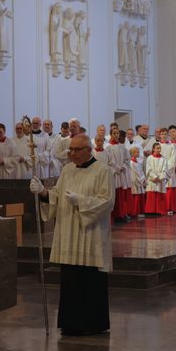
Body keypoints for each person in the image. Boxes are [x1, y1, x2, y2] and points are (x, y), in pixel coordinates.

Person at [30, 134, 113, 336]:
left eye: (76, 150)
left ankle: (93, 323)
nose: (72, 154)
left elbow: (107, 201)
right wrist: (42, 192)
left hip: (90, 234)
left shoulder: (103, 170)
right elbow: (57, 196)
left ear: (88, 150)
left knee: (89, 280)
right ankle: (70, 322)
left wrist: (82, 201)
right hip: (69, 232)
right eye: (70, 150)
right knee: (71, 280)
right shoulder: (67, 170)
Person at [143, 142, 169, 216]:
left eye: (159, 148)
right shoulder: (149, 158)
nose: (158, 149)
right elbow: (148, 169)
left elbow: (165, 169)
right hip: (152, 180)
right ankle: (150, 211)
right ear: (153, 149)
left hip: (160, 180)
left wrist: (160, 177)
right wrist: (154, 177)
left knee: (159, 195)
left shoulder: (163, 158)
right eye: (157, 148)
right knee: (152, 194)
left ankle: (159, 210)